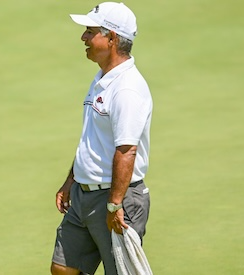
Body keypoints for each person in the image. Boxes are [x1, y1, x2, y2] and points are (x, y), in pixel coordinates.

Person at [50, 2, 152, 275]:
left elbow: (127, 150)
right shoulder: (102, 78)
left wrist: (114, 204)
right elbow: (92, 138)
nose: (83, 37)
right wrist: (72, 180)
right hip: (84, 195)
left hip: (116, 197)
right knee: (63, 269)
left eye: (90, 31)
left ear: (112, 38)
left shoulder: (127, 88)